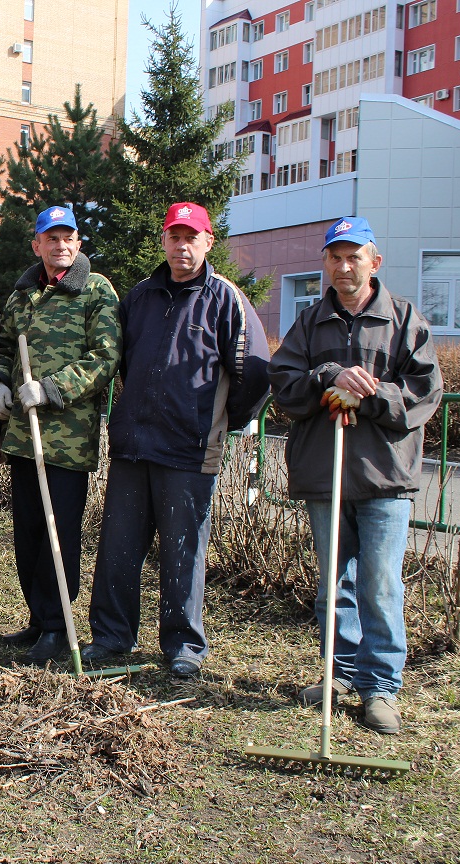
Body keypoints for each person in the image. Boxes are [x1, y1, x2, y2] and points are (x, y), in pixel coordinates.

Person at [270, 216, 442, 734]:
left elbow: (425, 393)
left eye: (354, 257)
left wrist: (369, 395)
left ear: (375, 262)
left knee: (381, 585)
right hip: (325, 473)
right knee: (332, 584)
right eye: (334, 257)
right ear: (324, 262)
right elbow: (284, 385)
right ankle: (338, 673)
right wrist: (327, 376)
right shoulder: (310, 323)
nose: (344, 267)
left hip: (384, 475)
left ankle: (380, 686)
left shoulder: (404, 319)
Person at [86, 202, 270, 678]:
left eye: (192, 237)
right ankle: (111, 636)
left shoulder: (227, 299)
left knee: (183, 550)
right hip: (133, 444)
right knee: (117, 548)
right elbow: (125, 362)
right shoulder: (141, 297)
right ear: (163, 240)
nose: (182, 245)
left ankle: (183, 645)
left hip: (189, 449)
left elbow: (254, 373)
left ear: (209, 242)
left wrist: (220, 422)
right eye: (174, 236)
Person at [0, 206, 121, 665]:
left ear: (78, 243)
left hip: (65, 439)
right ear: (37, 245)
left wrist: (50, 389)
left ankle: (58, 627)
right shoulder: (23, 294)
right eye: (51, 238)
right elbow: (4, 346)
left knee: (56, 534)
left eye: (68, 237)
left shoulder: (95, 290)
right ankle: (37, 616)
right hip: (24, 438)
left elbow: (105, 356)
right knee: (26, 534)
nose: (60, 245)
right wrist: (1, 383)